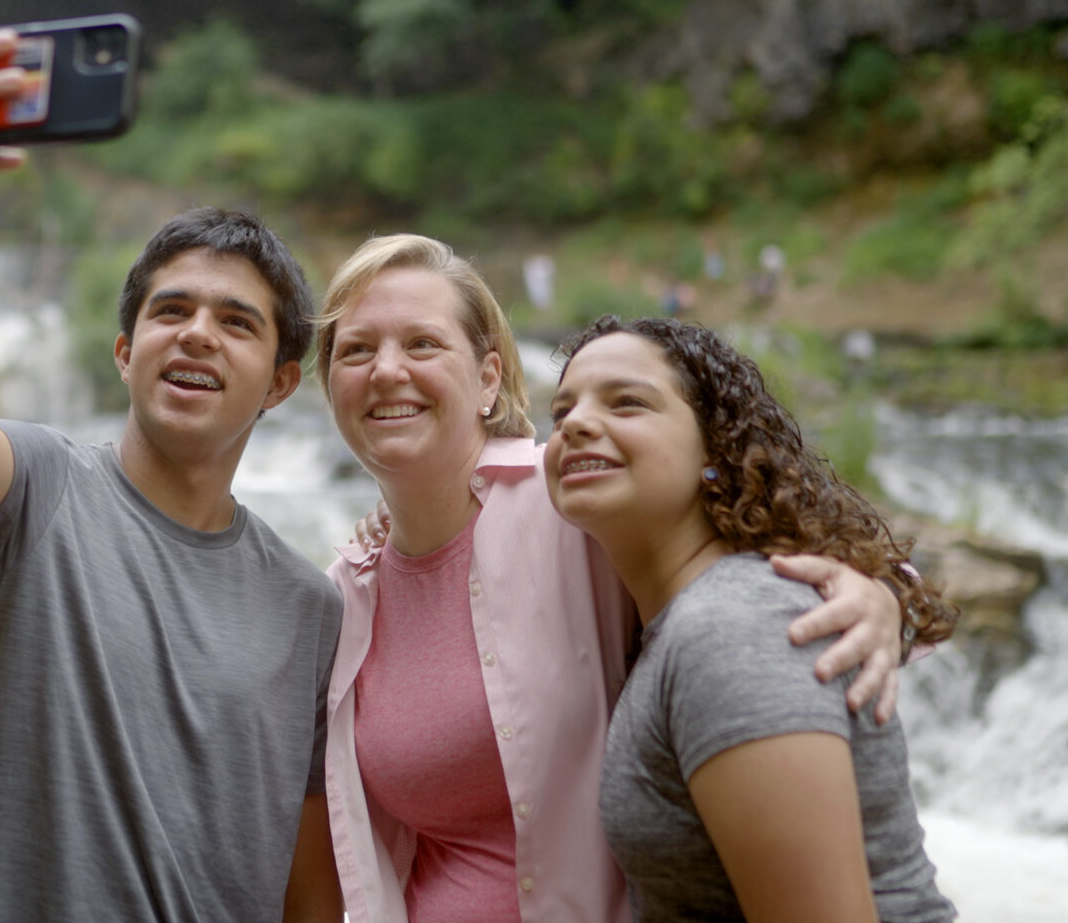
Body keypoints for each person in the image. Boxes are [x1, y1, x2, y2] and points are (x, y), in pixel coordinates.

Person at [0, 14, 343, 923]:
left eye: (236, 322)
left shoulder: (311, 609)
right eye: (171, 311)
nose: (197, 331)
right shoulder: (33, 488)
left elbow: (306, 886)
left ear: (280, 382)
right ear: (125, 351)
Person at [312, 234, 912, 923]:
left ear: (486, 378)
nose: (386, 370)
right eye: (355, 349)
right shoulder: (344, 593)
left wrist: (880, 594)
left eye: (421, 344)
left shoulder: (580, 493)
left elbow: (792, 547)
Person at [544, 314, 958, 922]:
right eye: (560, 414)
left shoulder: (735, 626)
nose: (576, 423)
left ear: (715, 449)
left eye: (628, 403)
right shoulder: (684, 618)